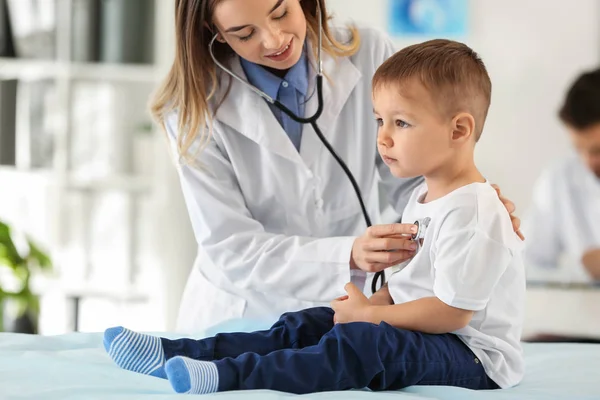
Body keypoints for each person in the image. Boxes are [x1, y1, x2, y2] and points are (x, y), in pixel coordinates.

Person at [103, 39, 525, 395]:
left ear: (458, 131)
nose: (382, 137)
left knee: (361, 342)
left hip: (471, 354)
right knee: (309, 322)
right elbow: (408, 287)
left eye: (400, 122)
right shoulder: (422, 197)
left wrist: (370, 315)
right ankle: (181, 352)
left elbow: (452, 313)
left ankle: (226, 377)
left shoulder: (473, 209)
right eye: (379, 120)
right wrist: (363, 305)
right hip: (424, 331)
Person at [151, 0, 522, 333]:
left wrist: (463, 208)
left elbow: (418, 174)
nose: (274, 39)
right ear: (213, 32)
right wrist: (347, 254)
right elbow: (231, 247)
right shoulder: (191, 110)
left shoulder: (367, 52)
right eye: (244, 33)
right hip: (242, 308)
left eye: (281, 12)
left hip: (351, 306)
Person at [523, 68, 600, 283]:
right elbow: (528, 264)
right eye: (579, 149)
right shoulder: (560, 178)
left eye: (597, 150)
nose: (588, 161)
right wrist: (583, 269)